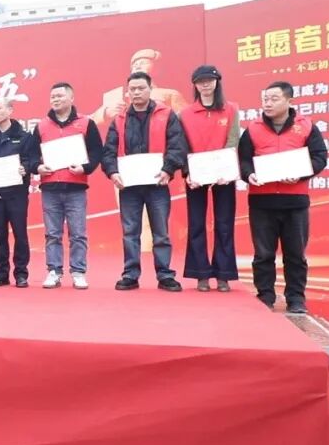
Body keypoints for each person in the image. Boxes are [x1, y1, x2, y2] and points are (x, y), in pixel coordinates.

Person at [239, 81, 328, 314]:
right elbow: (244, 159)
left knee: (295, 254)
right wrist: (249, 174)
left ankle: (296, 299)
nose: (268, 103)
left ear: (289, 101)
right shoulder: (253, 128)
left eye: (274, 99)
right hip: (262, 201)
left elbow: (319, 157)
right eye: (265, 99)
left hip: (294, 202)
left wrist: (301, 173)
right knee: (263, 254)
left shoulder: (306, 127)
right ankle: (265, 296)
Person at [102, 72, 187, 292]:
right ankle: (130, 274)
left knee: (161, 232)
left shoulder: (166, 114)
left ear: (150, 89)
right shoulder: (119, 119)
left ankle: (165, 275)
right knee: (130, 232)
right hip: (129, 186)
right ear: (128, 93)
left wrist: (168, 169)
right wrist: (112, 172)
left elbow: (177, 145)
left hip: (157, 184)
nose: (136, 92)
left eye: (141, 88)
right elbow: (108, 151)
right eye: (132, 89)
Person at [26, 83, 103, 289]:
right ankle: (54, 271)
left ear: (71, 98)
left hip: (75, 187)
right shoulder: (41, 126)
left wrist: (85, 167)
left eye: (60, 95)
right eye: (53, 96)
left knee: (78, 233)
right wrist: (38, 167)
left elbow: (97, 151)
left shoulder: (86, 123)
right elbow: (31, 155)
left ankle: (78, 271)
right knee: (52, 233)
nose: (56, 99)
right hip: (50, 187)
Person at [179, 65, 240, 292]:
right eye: (200, 81)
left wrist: (227, 170)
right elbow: (181, 145)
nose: (205, 85)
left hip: (224, 175)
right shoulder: (184, 113)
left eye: (209, 80)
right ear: (195, 85)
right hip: (196, 175)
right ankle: (200, 274)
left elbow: (233, 141)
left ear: (217, 82)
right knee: (196, 224)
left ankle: (224, 274)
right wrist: (188, 172)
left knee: (224, 223)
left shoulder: (230, 109)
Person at [0, 98, 33, 288]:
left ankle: (21, 273)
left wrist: (25, 167)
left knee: (20, 234)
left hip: (17, 193)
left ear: (10, 110)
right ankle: (1, 273)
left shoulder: (24, 136)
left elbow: (30, 159)